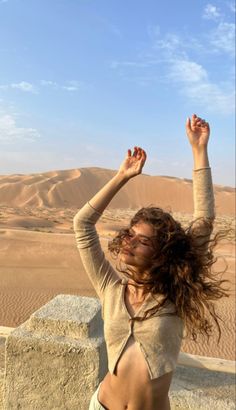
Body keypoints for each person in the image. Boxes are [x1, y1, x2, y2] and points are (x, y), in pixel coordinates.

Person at [74, 114, 227, 410]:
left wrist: (199, 150)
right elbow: (82, 225)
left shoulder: (174, 295)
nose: (128, 241)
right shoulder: (110, 289)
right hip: (101, 405)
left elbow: (204, 221)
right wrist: (122, 176)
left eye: (142, 240)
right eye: (129, 234)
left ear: (162, 253)